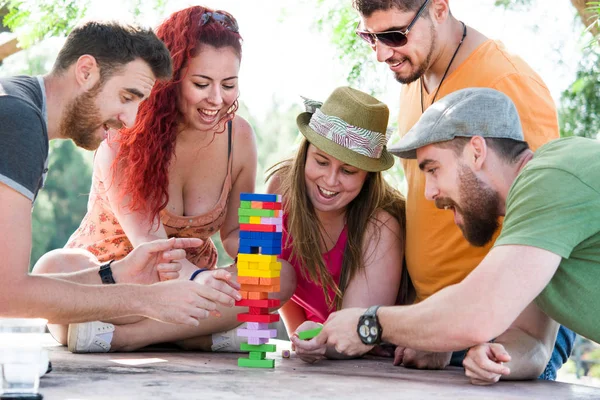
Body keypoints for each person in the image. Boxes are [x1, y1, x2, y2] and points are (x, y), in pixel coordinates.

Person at [32, 6, 295, 354]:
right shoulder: (123, 136)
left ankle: (128, 338)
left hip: (191, 283)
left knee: (280, 275)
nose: (216, 100)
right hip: (119, 280)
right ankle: (202, 335)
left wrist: (258, 249)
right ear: (169, 81)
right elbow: (151, 252)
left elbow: (232, 233)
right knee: (53, 269)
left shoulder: (239, 138)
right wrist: (212, 290)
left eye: (229, 85)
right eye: (201, 84)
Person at [352, 0, 574, 381]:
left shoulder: (507, 82)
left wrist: (457, 332)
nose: (382, 53)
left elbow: (544, 221)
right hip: (435, 325)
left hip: (501, 330)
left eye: (393, 35)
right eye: (370, 37)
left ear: (439, 8)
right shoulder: (412, 74)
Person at [316, 88, 600, 385]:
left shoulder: (551, 178)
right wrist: (496, 356)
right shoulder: (538, 211)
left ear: (476, 151)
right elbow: (534, 342)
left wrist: (368, 323)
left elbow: (477, 312)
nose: (429, 193)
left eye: (433, 169)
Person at [0, 20, 233, 328]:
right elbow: (8, 294)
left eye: (140, 103)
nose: (130, 119)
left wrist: (117, 275)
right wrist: (146, 300)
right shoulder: (19, 121)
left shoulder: (19, 106)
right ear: (86, 71)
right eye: (126, 96)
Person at [266, 86, 406, 363]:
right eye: (321, 161)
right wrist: (299, 338)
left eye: (348, 171)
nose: (330, 181)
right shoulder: (279, 189)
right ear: (305, 153)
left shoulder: (381, 226)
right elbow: (271, 274)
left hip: (369, 357)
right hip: (317, 347)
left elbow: (353, 330)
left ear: (368, 176)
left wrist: (317, 340)